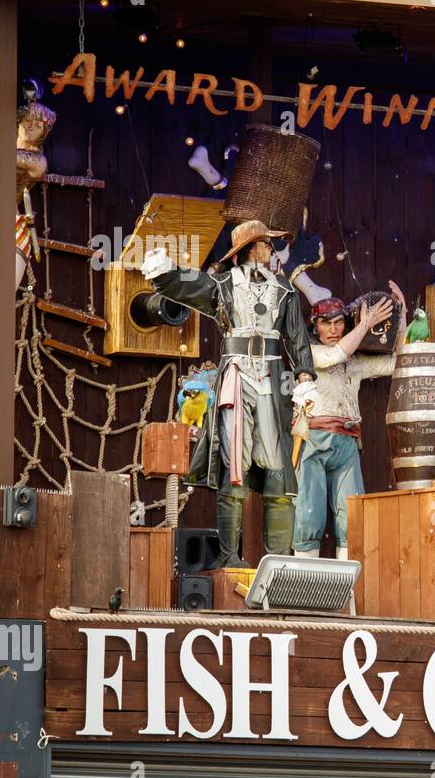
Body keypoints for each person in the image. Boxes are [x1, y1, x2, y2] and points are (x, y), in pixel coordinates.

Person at [140, 220, 315, 567]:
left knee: (278, 468)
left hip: (270, 377)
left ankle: (279, 561)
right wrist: (165, 273)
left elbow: (297, 337)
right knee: (235, 465)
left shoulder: (284, 289)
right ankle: (229, 558)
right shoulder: (224, 284)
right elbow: (193, 284)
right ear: (250, 250)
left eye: (268, 244)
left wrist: (306, 379)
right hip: (236, 377)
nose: (269, 250)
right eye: (264, 244)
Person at [292, 286, 406, 560]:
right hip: (313, 439)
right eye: (326, 322)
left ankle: (347, 589)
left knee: (351, 514)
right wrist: (367, 323)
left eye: (339, 322)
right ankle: (303, 581)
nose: (333, 328)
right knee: (309, 511)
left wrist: (401, 322)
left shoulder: (355, 362)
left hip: (347, 440)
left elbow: (397, 362)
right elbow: (334, 356)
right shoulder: (308, 353)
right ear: (314, 326)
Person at [0, 93, 56, 381]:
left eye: (39, 125)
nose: (32, 127)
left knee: (2, 298)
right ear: (18, 121)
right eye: (27, 121)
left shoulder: (36, 159)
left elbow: (5, 158)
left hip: (13, 227)